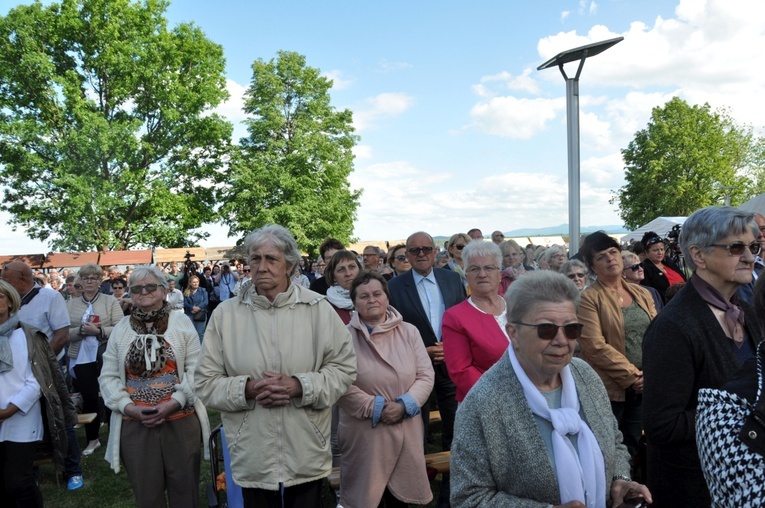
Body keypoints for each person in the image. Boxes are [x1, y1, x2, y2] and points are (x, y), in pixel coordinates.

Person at [450, 271, 652, 507]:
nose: (561, 340)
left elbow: (614, 442)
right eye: (546, 329)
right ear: (513, 333)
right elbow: (468, 498)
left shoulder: (585, 375)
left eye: (571, 329)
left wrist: (620, 479)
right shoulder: (483, 402)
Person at [195, 224, 356, 508]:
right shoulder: (225, 315)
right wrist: (247, 389)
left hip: (305, 443)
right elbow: (205, 382)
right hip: (251, 447)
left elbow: (343, 369)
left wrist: (299, 386)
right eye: (255, 259)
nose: (262, 266)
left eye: (272, 259)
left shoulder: (318, 309)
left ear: (290, 265)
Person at [642, 206, 761, 507]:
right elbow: (662, 425)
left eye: (754, 246)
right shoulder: (673, 327)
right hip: (694, 488)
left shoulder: (744, 309)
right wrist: (735, 419)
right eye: (736, 247)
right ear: (698, 256)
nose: (749, 256)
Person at [99, 265, 210, 508]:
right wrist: (128, 407)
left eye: (150, 286)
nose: (143, 292)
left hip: (180, 419)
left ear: (163, 291)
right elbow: (107, 377)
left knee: (185, 493)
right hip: (135, 424)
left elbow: (197, 370)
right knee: (147, 495)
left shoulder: (181, 323)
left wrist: (175, 402)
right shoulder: (120, 329)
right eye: (136, 288)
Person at [338, 271, 435, 507]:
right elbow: (340, 382)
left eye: (376, 293)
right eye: (364, 296)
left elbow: (425, 375)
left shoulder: (409, 331)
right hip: (365, 431)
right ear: (354, 303)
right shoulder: (342, 337)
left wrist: (404, 405)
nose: (371, 300)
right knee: (368, 497)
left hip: (405, 425)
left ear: (387, 297)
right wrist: (377, 408)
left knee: (399, 498)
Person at [388, 231, 465, 508]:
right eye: (415, 250)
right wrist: (422, 350)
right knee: (414, 433)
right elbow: (392, 331)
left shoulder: (452, 279)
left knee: (455, 430)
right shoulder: (394, 287)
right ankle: (415, 493)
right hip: (414, 371)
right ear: (406, 255)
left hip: (450, 366)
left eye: (426, 249)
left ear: (435, 252)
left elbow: (460, 319)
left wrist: (452, 347)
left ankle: (451, 494)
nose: (421, 254)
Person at [1, 261, 84, 490]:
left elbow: (61, 335)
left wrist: (40, 364)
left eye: (6, 279)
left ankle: (72, 470)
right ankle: (30, 470)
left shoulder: (50, 297)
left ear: (23, 279)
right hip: (16, 375)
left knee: (59, 420)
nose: (2, 283)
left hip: (48, 373)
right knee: (24, 422)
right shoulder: (8, 302)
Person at [577, 231, 657, 462]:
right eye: (601, 257)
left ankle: (633, 490)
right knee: (612, 448)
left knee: (636, 444)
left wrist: (649, 373)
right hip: (613, 388)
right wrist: (633, 376)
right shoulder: (588, 298)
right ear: (592, 267)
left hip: (646, 382)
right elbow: (593, 345)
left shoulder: (642, 293)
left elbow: (656, 335)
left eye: (613, 252)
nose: (610, 259)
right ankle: (614, 494)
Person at [66, 262, 123, 456]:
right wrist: (80, 331)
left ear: (100, 281)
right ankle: (93, 439)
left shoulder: (110, 301)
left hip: (105, 353)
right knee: (89, 397)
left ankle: (117, 436)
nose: (90, 281)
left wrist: (98, 331)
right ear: (80, 281)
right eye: (86, 277)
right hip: (81, 357)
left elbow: (121, 327)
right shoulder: (71, 303)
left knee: (111, 395)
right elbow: (64, 332)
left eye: (94, 278)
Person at [442, 241, 510, 402]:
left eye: (489, 268)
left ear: (500, 274)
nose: (482, 274)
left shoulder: (517, 306)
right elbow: (461, 371)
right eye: (474, 269)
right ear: (466, 276)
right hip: (484, 403)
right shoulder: (455, 317)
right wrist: (503, 398)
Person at [640, 231, 686, 303]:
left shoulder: (669, 262)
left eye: (662, 249)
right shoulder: (645, 269)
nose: (660, 253)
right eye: (656, 250)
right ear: (646, 252)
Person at [324, 250, 361, 325]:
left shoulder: (372, 297)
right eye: (341, 270)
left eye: (352, 267)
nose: (348, 273)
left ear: (359, 269)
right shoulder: (325, 307)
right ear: (333, 276)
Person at [184, 275, 208, 343]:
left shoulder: (203, 290)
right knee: (192, 333)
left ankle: (201, 350)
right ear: (190, 283)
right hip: (190, 313)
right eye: (194, 282)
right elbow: (185, 303)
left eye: (197, 282)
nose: (196, 283)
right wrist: (192, 308)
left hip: (201, 313)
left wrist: (198, 308)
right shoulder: (186, 291)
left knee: (200, 333)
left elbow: (205, 302)